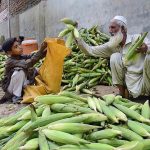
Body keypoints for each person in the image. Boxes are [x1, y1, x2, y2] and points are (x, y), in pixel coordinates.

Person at [75, 16, 150, 99]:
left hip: (146, 78)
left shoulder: (137, 39)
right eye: (109, 28)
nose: (110, 31)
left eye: (113, 27)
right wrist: (77, 39)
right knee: (115, 57)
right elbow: (91, 51)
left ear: (123, 28)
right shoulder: (112, 46)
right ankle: (121, 92)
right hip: (131, 82)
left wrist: (146, 48)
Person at [0, 37, 47, 104]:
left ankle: (24, 92)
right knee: (19, 71)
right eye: (16, 47)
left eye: (19, 44)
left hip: (20, 84)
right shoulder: (10, 61)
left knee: (36, 70)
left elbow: (32, 56)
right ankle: (16, 96)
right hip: (10, 88)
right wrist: (41, 50)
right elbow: (27, 64)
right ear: (9, 52)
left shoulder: (21, 56)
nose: (20, 47)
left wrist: (45, 51)